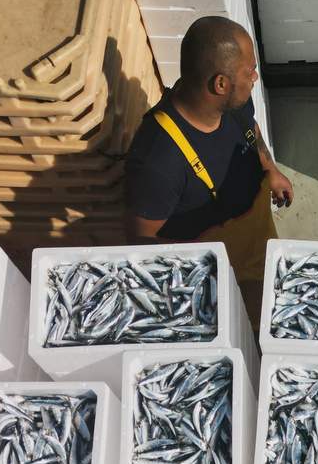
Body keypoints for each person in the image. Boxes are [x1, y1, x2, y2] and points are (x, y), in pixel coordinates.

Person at [123, 16, 293, 323]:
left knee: (275, 301)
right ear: (220, 83)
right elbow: (140, 241)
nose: (255, 77)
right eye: (248, 71)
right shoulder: (156, 163)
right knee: (248, 326)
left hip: (258, 233)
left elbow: (251, 127)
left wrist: (271, 167)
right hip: (215, 273)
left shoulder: (234, 101)